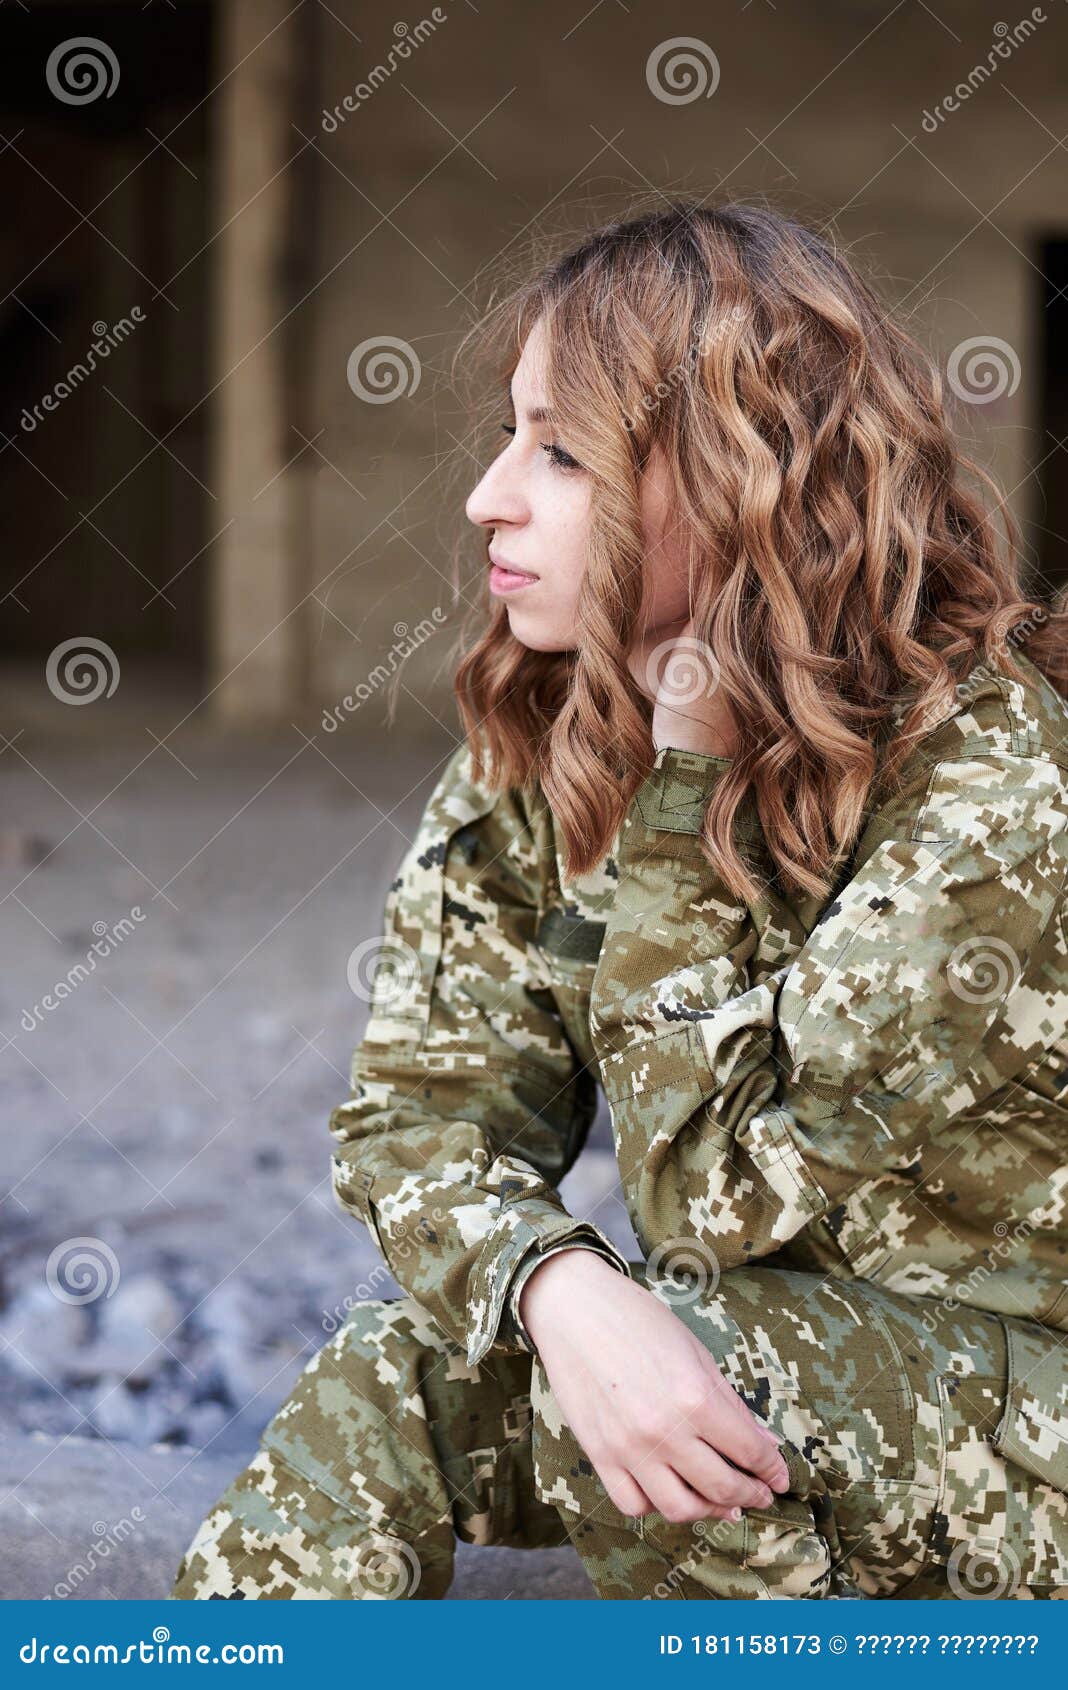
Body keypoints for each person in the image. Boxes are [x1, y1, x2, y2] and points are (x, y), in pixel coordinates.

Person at [170, 201, 1068, 1601]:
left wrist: (682, 781)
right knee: (386, 1372)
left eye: (561, 451)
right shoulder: (549, 730)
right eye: (509, 433)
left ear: (735, 486)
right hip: (770, 1368)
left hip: (1021, 1424)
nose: (488, 494)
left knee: (683, 1379)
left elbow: (718, 1203)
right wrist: (554, 1284)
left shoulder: (989, 769)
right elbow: (415, 1116)